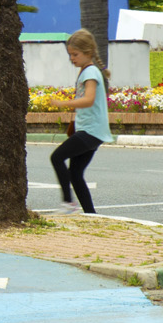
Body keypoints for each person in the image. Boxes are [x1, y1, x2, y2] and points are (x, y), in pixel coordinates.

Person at [45, 28, 112, 215]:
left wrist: (62, 103)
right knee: (75, 173)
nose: (72, 58)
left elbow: (89, 99)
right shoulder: (88, 71)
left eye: (75, 54)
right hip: (92, 131)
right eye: (70, 55)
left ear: (88, 53)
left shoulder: (90, 73)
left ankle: (68, 203)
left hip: (91, 132)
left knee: (57, 157)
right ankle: (91, 214)